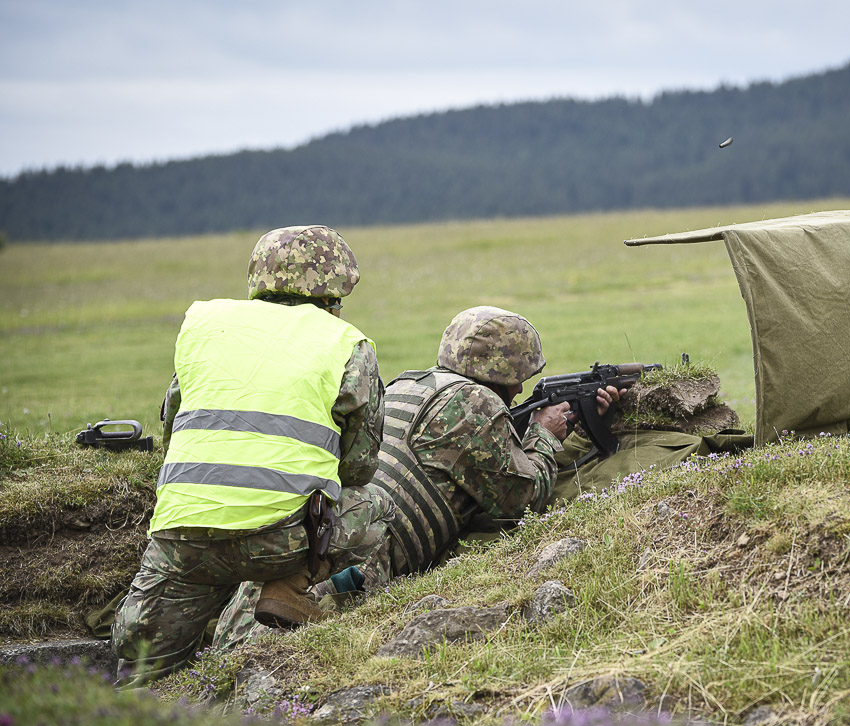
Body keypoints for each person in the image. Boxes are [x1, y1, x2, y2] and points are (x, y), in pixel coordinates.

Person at [211, 305, 620, 648]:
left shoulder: (410, 384)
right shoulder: (474, 403)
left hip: (300, 551)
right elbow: (526, 499)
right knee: (276, 677)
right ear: (511, 372)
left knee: (224, 675)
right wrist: (545, 436)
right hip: (346, 577)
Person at [111, 225, 395, 683]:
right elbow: (359, 466)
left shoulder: (206, 326)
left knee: (140, 664)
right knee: (374, 507)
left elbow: (173, 432)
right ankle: (288, 588)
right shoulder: (347, 345)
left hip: (183, 537)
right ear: (336, 288)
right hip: (279, 542)